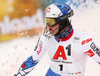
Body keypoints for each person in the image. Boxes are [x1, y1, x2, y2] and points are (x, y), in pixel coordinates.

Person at [14, 3, 100, 76]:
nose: (48, 26)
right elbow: (33, 60)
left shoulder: (83, 40)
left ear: (62, 22)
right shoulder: (45, 38)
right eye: (46, 21)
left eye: (51, 22)